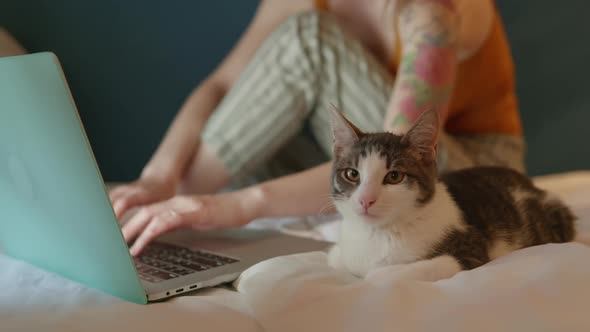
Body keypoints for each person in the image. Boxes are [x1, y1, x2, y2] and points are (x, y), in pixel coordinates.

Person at [2, 0, 526, 256]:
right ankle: (154, 210)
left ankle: (154, 217)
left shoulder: (436, 12)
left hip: (464, 175)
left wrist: (239, 205)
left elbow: (397, 156)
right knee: (252, 148)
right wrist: (158, 173)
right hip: (362, 170)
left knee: (308, 41)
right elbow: (221, 88)